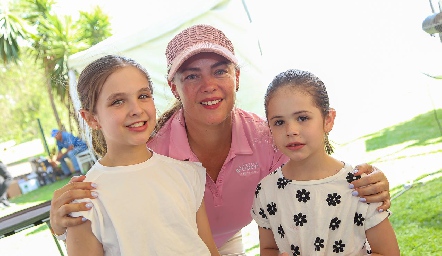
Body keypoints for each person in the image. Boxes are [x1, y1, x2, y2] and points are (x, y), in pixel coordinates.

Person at [50, 24, 391, 255]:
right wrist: (62, 221)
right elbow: (114, 188)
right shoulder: (150, 148)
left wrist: (367, 181)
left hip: (223, 241)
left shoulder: (265, 137)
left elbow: (316, 166)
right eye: (192, 75)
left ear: (237, 78)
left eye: (219, 71)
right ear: (174, 88)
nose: (208, 85)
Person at [66, 55, 219, 255]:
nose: (136, 110)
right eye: (118, 101)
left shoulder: (186, 174)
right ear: (92, 118)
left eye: (143, 96)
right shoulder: (85, 200)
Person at [251, 69, 400, 255]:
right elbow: (268, 248)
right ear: (269, 128)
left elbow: (389, 252)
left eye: (302, 118)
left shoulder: (360, 185)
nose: (291, 130)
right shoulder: (266, 190)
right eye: (279, 122)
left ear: (328, 120)